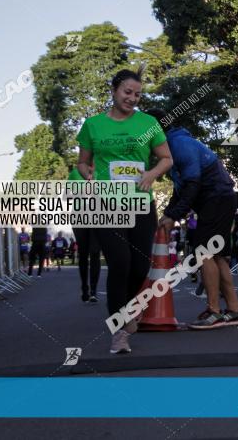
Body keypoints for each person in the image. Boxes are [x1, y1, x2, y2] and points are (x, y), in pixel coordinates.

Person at [77, 69, 173, 354]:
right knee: (119, 262)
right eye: (127, 92)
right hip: (106, 203)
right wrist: (89, 175)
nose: (132, 98)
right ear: (114, 90)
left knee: (140, 266)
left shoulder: (148, 123)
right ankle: (119, 332)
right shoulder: (92, 125)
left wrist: (152, 174)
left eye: (137, 94)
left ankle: (129, 309)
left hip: (141, 203)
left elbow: (166, 158)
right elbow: (83, 162)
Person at [147, 108, 238, 330]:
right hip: (218, 198)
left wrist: (173, 215)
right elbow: (181, 190)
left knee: (205, 254)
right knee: (217, 256)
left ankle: (214, 311)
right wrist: (169, 213)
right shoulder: (171, 146)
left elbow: (193, 185)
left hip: (217, 198)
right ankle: (235, 309)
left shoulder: (179, 145)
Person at [69, 166, 101, 303]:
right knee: (83, 253)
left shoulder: (102, 170)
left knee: (95, 252)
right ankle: (84, 287)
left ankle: (93, 291)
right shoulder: (75, 173)